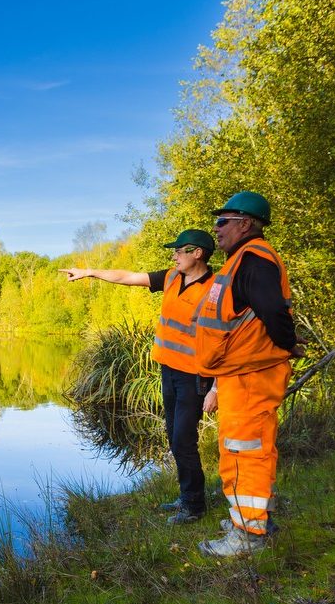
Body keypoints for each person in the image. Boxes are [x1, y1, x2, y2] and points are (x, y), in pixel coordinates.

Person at [60, 229, 217, 524]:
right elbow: (128, 277)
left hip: (194, 376)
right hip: (168, 370)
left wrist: (217, 387)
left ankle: (194, 507)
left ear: (197, 253)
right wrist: (89, 272)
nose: (174, 255)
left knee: (183, 439)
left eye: (179, 251)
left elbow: (227, 337)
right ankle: (187, 497)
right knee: (173, 436)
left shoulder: (217, 287)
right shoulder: (171, 277)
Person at [193, 191, 304, 558]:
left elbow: (274, 312)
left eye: (223, 222)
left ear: (245, 224)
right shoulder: (241, 260)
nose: (216, 228)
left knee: (245, 452)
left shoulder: (255, 260)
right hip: (241, 374)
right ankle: (254, 520)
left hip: (252, 375)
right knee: (249, 449)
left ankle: (248, 536)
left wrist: (287, 345)